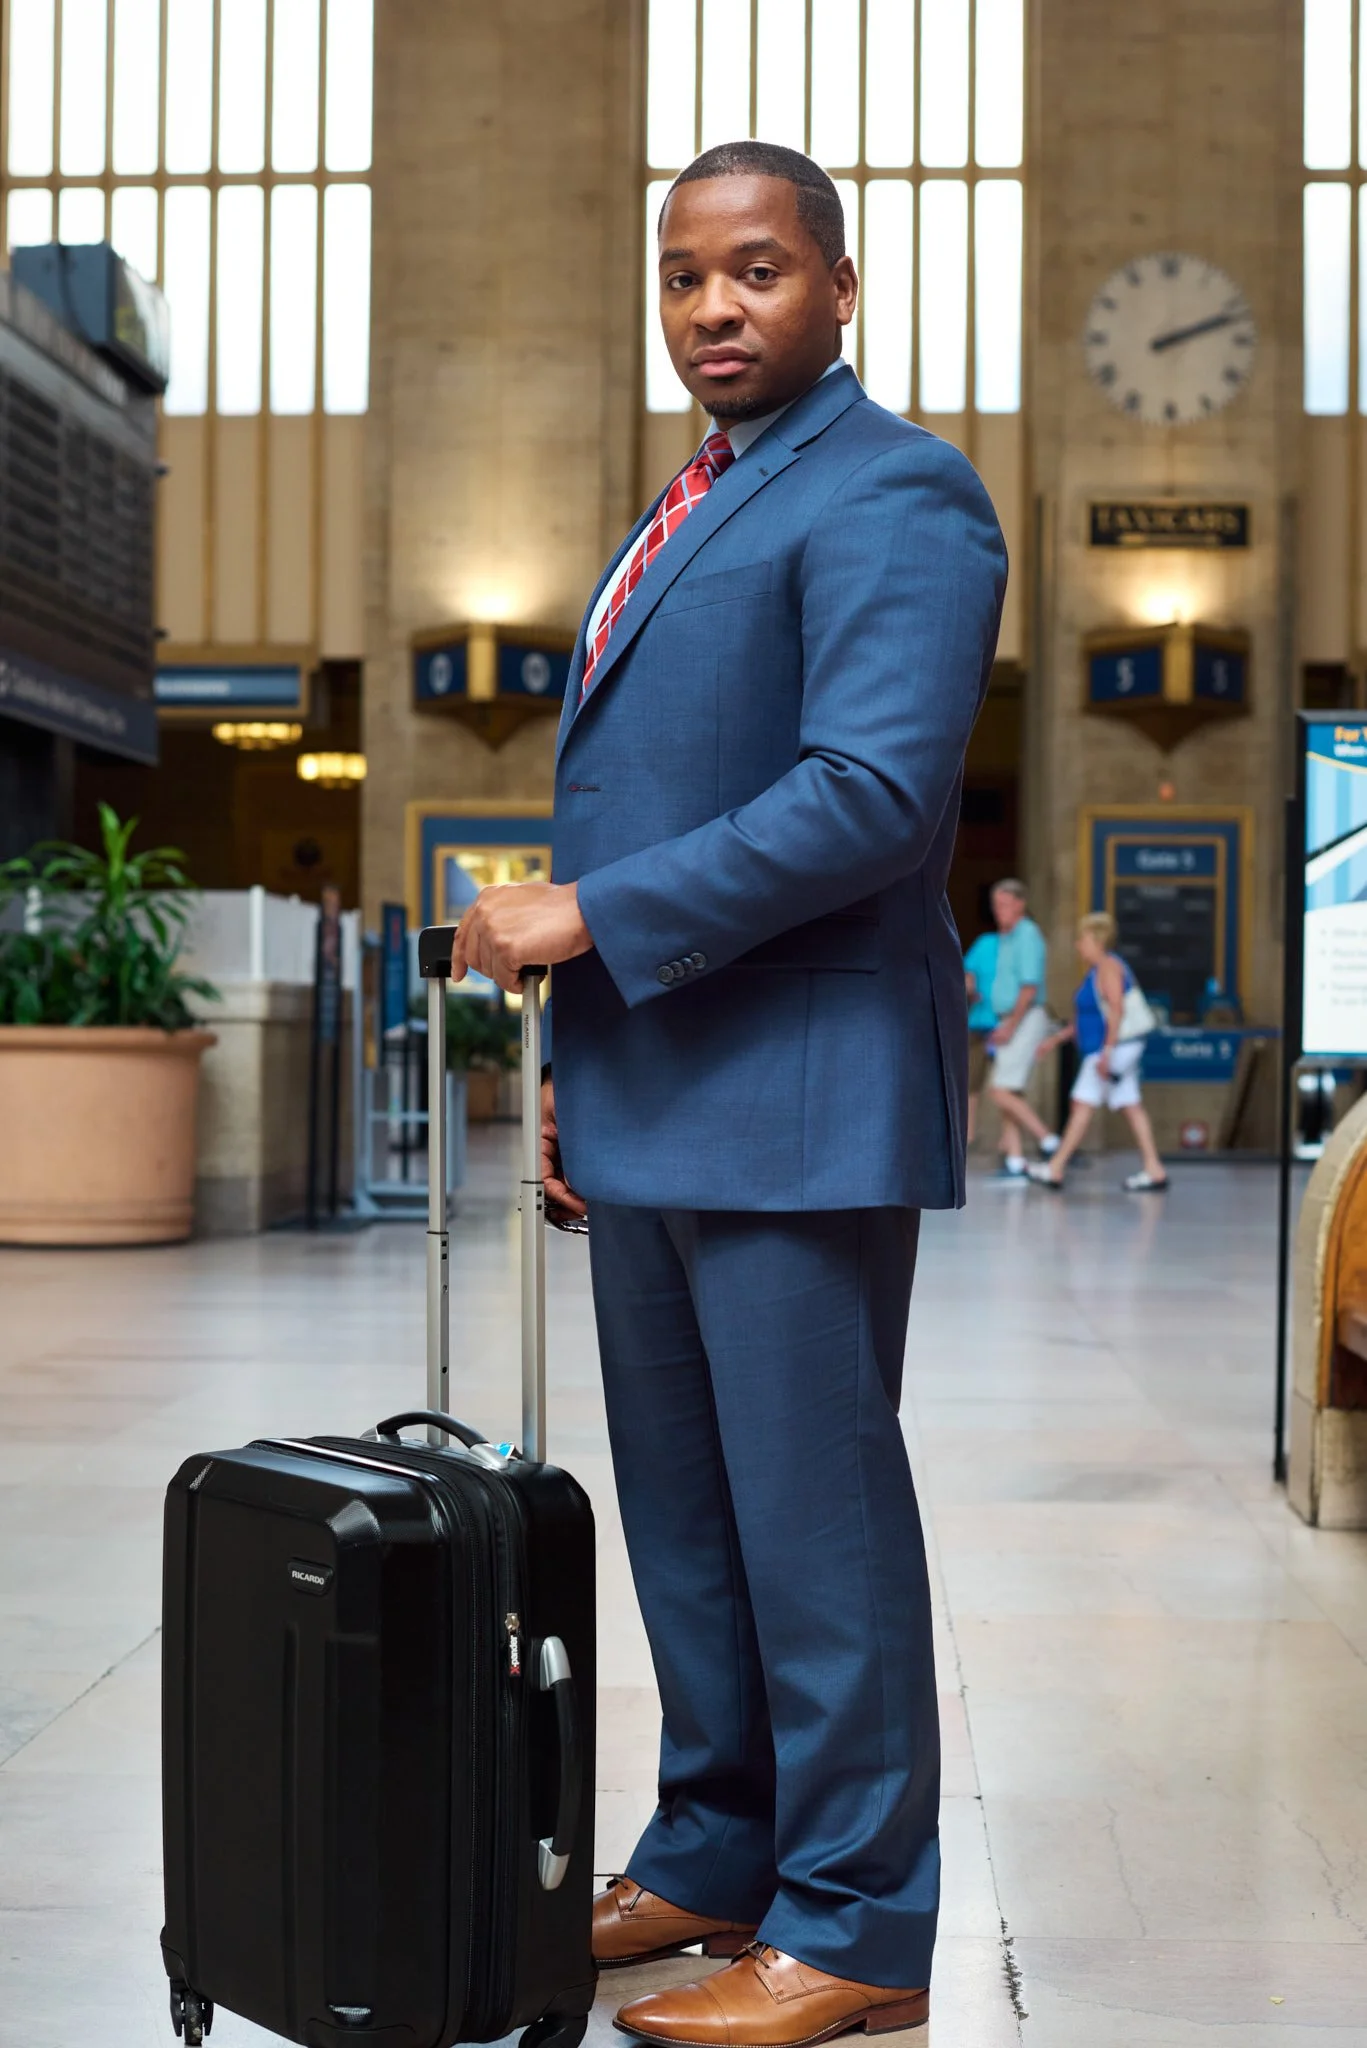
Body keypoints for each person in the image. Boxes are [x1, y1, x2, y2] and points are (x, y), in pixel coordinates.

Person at [447, 139, 1006, 2047]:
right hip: (656, 1087)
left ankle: (855, 1917)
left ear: (839, 286)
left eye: (757, 272)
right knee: (686, 1517)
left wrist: (584, 912)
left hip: (798, 1094)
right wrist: (577, 1063)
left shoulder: (897, 495)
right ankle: (714, 1844)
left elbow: (867, 798)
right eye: (686, 277)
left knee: (814, 1525)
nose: (713, 308)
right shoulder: (684, 505)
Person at [1027, 910, 1168, 1192]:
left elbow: (1116, 1011)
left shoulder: (1108, 968)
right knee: (1131, 1106)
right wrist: (1056, 1040)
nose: (1079, 945)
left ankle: (1055, 1168)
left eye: (1083, 939)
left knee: (1082, 1105)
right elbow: (1088, 1018)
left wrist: (1107, 1052)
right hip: (1112, 1049)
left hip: (1110, 1049)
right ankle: (1154, 1168)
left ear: (1097, 940)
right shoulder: (1096, 971)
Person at [983, 878, 1059, 1178]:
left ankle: (1049, 1140)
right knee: (1010, 1091)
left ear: (1020, 904)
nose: (998, 910)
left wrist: (1011, 1027)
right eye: (995, 905)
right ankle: (1016, 1162)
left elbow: (1029, 987)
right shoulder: (1007, 937)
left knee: (1000, 1090)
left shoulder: (1027, 934)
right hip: (1009, 1019)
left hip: (1024, 1018)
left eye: (1003, 904)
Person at [962, 921, 998, 1145]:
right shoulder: (986, 943)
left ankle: (1007, 1143)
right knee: (971, 1080)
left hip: (1005, 1025)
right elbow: (967, 974)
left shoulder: (1024, 944)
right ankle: (969, 1135)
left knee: (1004, 1087)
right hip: (979, 1022)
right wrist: (970, 988)